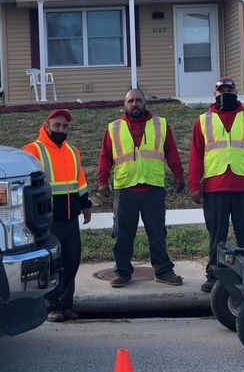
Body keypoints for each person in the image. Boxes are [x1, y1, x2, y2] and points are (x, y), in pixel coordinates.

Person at [189, 77, 244, 293]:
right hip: (215, 188)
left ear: (236, 91)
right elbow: (196, 157)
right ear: (215, 94)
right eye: (221, 90)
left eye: (229, 89)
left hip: (243, 187)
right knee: (217, 235)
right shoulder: (203, 121)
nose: (225, 92)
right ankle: (215, 273)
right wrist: (194, 187)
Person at [98, 89, 185, 288]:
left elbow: (171, 151)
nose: (134, 104)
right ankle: (121, 273)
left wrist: (178, 175)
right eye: (130, 101)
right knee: (122, 235)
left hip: (153, 189)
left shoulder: (160, 125)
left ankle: (163, 271)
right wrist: (102, 181)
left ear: (145, 103)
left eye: (138, 100)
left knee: (157, 233)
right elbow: (105, 156)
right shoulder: (114, 128)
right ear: (125, 104)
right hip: (125, 189)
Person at [23, 109, 92, 322]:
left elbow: (79, 180)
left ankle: (66, 304)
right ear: (47, 125)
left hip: (71, 217)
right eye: (57, 126)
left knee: (72, 260)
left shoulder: (73, 151)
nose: (61, 130)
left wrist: (86, 204)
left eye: (65, 126)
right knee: (52, 263)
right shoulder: (32, 151)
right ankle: (52, 306)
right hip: (48, 220)